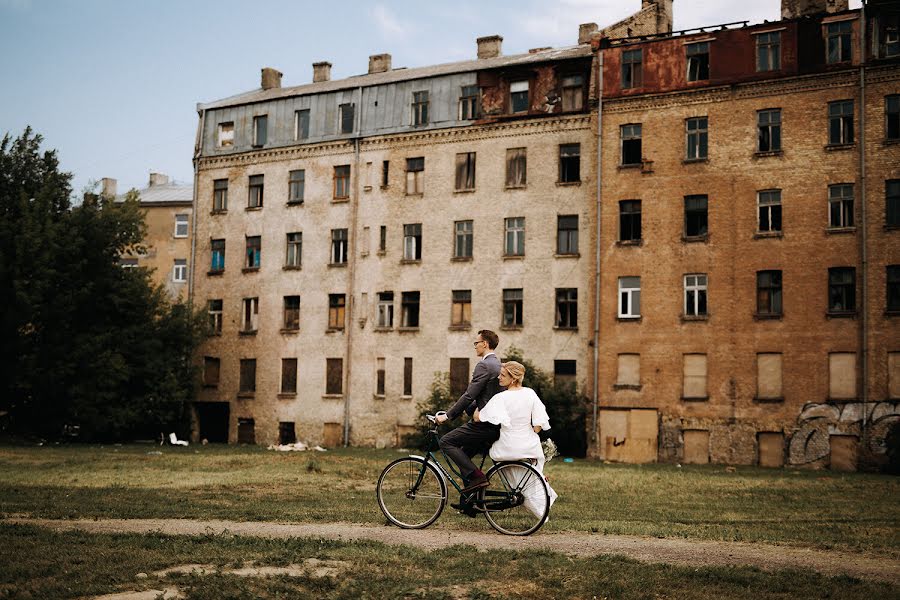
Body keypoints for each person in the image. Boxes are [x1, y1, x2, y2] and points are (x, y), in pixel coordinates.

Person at [475, 360, 558, 517]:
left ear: (513, 378)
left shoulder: (501, 397)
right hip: (529, 446)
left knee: (497, 455)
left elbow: (480, 417)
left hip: (507, 447)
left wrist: (477, 409)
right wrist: (531, 431)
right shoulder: (530, 393)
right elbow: (539, 423)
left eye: (502, 375)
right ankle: (535, 496)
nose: (499, 377)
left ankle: (517, 491)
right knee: (531, 473)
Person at [436, 329, 503, 494]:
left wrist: (448, 415)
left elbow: (469, 395)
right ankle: (469, 503)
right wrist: (473, 409)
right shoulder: (498, 364)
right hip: (494, 422)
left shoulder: (484, 365)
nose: (475, 347)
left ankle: (478, 477)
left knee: (445, 441)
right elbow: (486, 396)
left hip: (485, 424)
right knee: (464, 455)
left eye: (476, 343)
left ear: (485, 344)